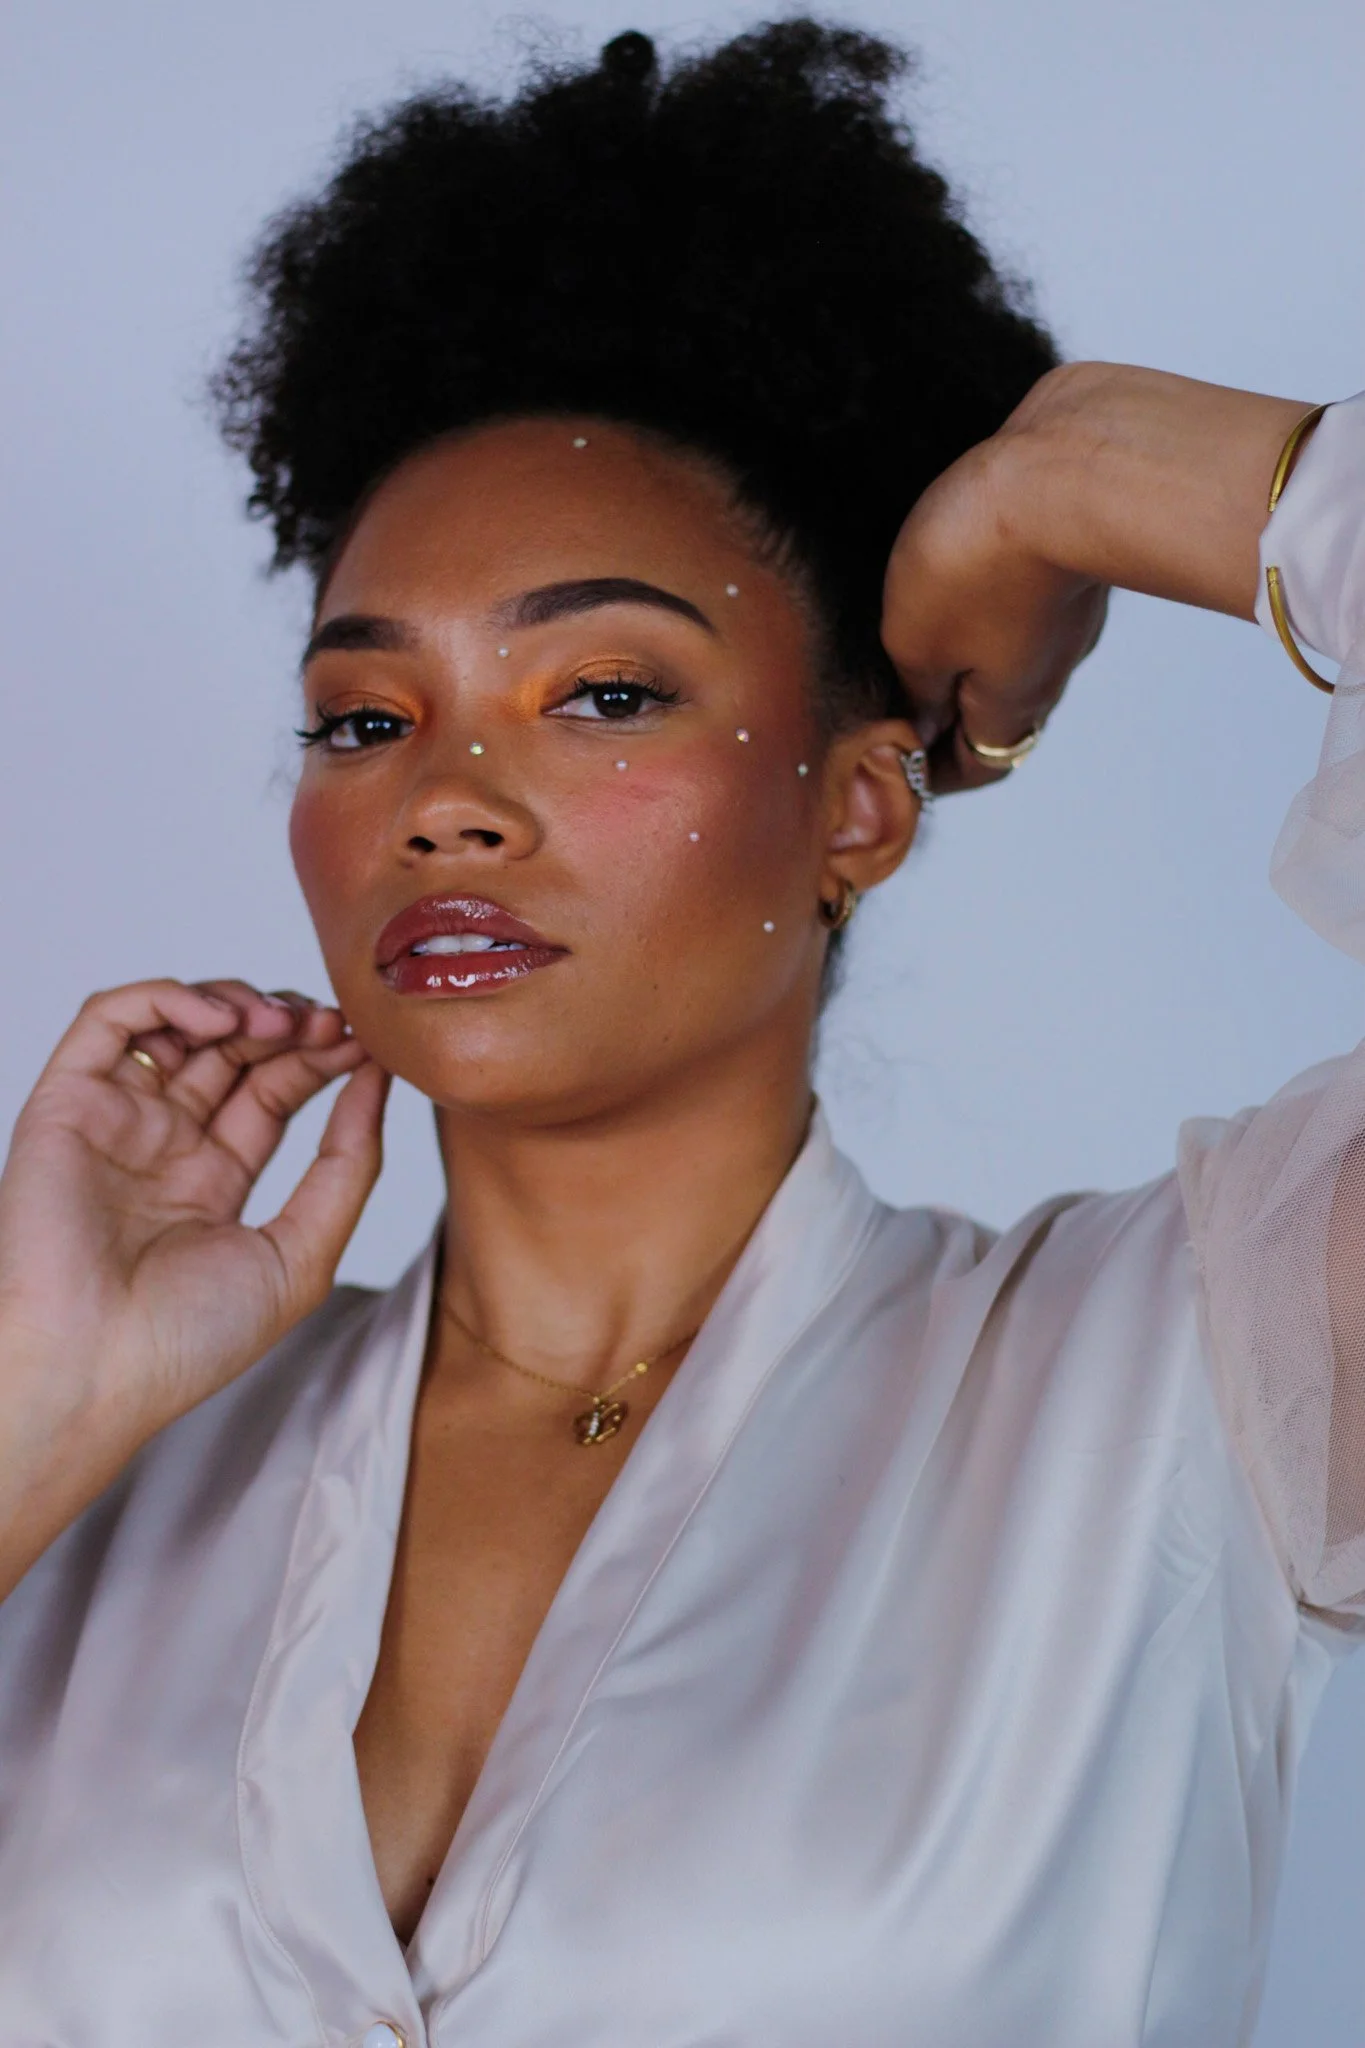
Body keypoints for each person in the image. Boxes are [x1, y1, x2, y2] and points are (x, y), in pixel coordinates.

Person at [0, 20, 1359, 2046]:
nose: (443, 796)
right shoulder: (105, 1462)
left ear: (859, 806)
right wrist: (32, 1413)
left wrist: (1127, 469)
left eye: (603, 692)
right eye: (366, 716)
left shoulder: (1196, 1377)